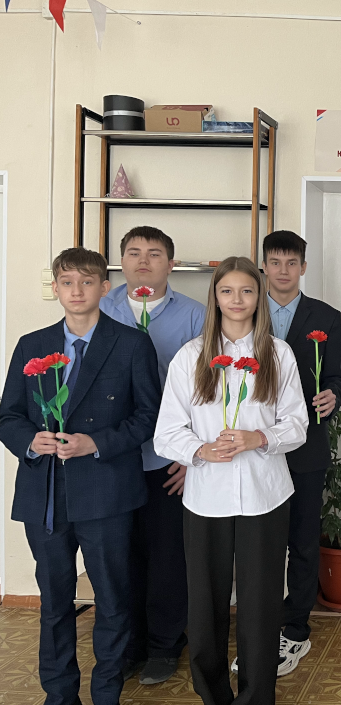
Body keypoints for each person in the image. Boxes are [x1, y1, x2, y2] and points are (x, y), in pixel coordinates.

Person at [0, 247, 161, 705]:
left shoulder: (131, 344)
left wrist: (97, 442)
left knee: (112, 599)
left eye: (87, 282)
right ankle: (59, 696)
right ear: (55, 288)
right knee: (54, 603)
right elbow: (8, 416)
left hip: (106, 492)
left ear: (104, 288)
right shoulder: (32, 344)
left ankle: (106, 692)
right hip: (45, 495)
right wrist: (30, 440)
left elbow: (150, 416)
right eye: (67, 282)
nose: (76, 291)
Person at [154, 256, 309, 705]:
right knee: (205, 606)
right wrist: (200, 450)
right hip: (206, 499)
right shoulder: (190, 357)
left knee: (260, 606)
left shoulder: (278, 354)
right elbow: (166, 433)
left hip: (266, 496)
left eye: (246, 290)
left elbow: (297, 425)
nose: (237, 299)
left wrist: (258, 438)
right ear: (215, 297)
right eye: (227, 291)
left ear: (258, 297)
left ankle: (257, 697)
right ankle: (213, 696)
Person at [100, 226, 206, 685]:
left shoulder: (196, 316)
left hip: (167, 461)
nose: (143, 261)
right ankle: (129, 646)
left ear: (171, 264)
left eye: (155, 254)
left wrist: (190, 455)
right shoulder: (101, 308)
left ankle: (165, 644)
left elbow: (208, 391)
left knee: (167, 557)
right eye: (134, 252)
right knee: (118, 557)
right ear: (121, 261)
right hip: (112, 458)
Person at [259, 231, 341, 676]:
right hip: (255, 446)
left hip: (307, 445)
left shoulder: (326, 316)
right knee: (260, 542)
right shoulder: (245, 309)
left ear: (303, 268)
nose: (283, 271)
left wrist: (334, 394)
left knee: (303, 540)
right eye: (275, 262)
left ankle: (295, 629)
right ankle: (260, 624)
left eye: (291, 263)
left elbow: (337, 376)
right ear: (264, 266)